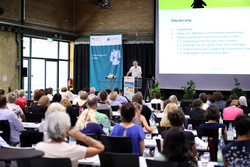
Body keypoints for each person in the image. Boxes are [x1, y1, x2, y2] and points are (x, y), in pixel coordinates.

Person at [35, 111, 105, 167]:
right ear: (68, 129)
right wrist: (84, 138)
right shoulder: (74, 150)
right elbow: (100, 148)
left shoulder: (39, 147)